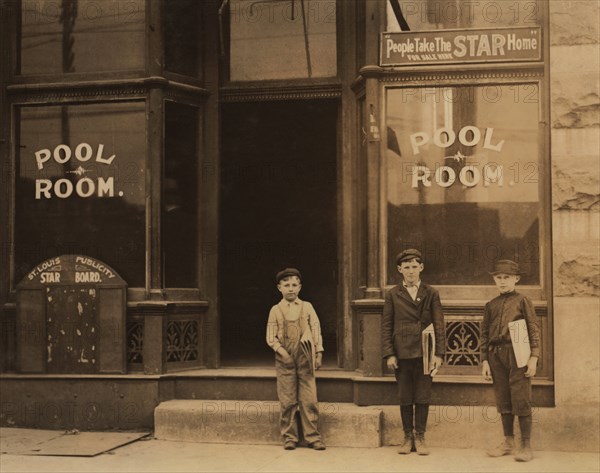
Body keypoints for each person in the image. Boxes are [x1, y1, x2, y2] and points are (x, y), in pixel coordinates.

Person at [381, 249, 445, 455]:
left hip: (426, 350)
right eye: (406, 267)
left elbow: (439, 324)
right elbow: (386, 325)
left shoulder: (431, 293)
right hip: (402, 352)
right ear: (400, 269)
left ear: (421, 268)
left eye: (414, 267)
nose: (410, 271)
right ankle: (407, 437)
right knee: (405, 396)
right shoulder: (392, 294)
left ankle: (421, 437)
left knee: (423, 395)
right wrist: (389, 354)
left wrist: (439, 354)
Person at [481, 259, 540, 462]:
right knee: (503, 398)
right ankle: (508, 442)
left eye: (507, 277)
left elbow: (533, 328)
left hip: (518, 353)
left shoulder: (523, 300)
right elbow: (484, 334)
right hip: (496, 355)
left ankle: (526, 445)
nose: (502, 281)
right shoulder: (491, 305)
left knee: (521, 397)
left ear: (516, 279)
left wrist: (534, 357)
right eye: (498, 278)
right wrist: (485, 361)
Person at [266, 267, 326, 451]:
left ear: (300, 287)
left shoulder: (307, 307)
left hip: (305, 358)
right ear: (279, 288)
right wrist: (283, 353)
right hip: (285, 359)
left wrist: (318, 353)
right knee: (288, 399)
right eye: (286, 285)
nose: (290, 288)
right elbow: (270, 336)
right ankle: (289, 437)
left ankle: (312, 437)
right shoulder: (276, 310)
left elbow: (315, 329)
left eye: (294, 285)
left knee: (309, 399)